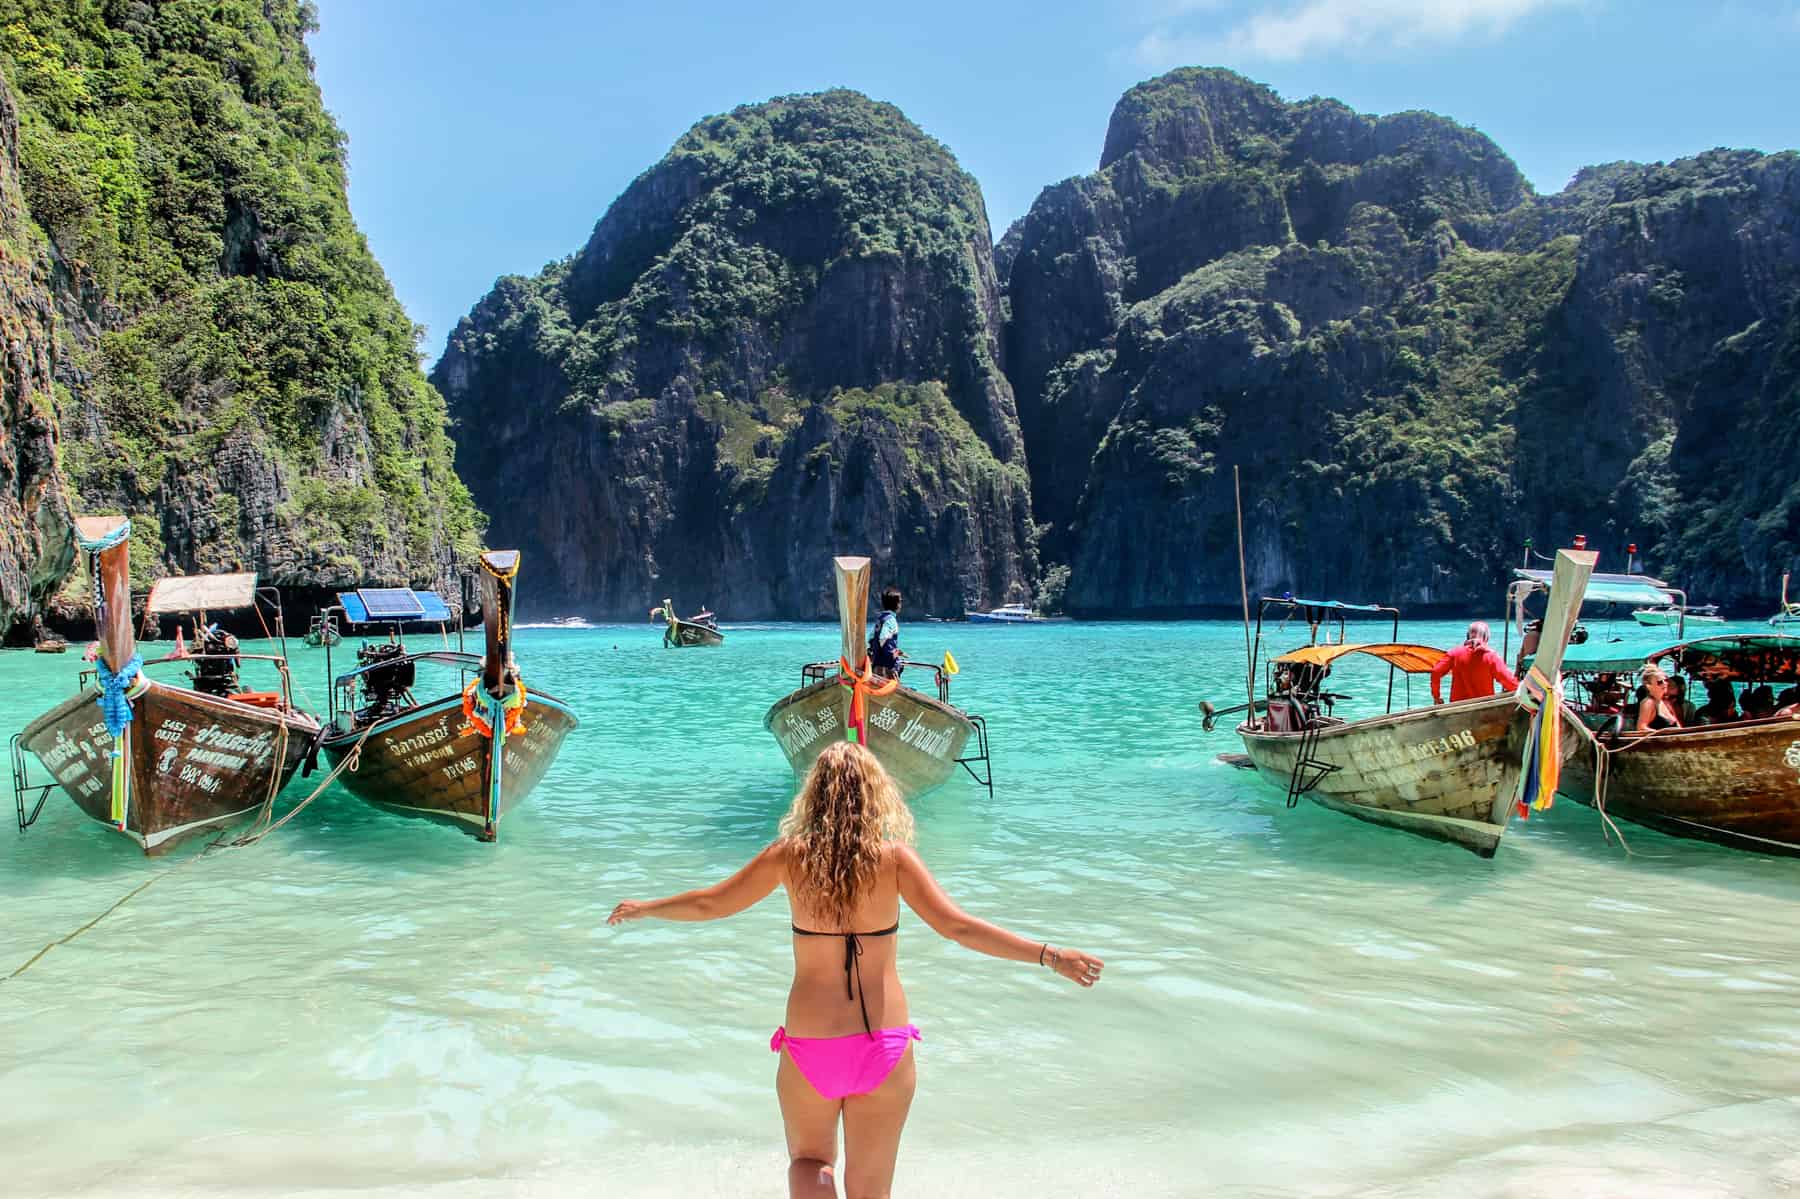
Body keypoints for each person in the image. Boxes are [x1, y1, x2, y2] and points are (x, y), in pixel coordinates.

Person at [607, 741, 1102, 1198]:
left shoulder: (788, 858)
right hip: (883, 1048)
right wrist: (1049, 955)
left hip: (811, 1046)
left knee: (809, 1163)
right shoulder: (895, 861)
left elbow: (711, 906)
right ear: (875, 796)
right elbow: (960, 929)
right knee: (871, 1190)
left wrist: (647, 907)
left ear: (813, 796)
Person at [1430, 620, 1519, 704]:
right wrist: (1522, 689)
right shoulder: (1491, 656)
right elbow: (1507, 681)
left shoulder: (1454, 653)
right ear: (1486, 637)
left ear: (1467, 635)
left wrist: (1436, 697)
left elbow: (1435, 672)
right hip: (1484, 706)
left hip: (1457, 706)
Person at [868, 586, 904, 680]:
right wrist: (893, 654)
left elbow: (871, 638)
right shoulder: (891, 620)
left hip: (876, 665)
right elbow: (884, 639)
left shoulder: (880, 619)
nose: (901, 604)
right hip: (887, 668)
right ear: (897, 604)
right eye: (900, 601)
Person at [1635, 666, 1683, 732]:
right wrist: (1660, 733)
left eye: (1665, 680)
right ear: (1649, 686)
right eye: (1660, 682)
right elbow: (1641, 728)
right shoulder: (1648, 703)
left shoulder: (1666, 702)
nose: (1665, 684)